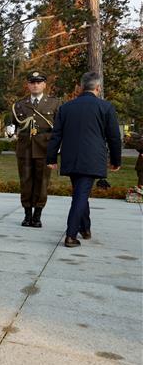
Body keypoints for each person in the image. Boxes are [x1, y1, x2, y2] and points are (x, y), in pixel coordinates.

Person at [46, 72, 122, 248]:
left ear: (81, 87)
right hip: (92, 158)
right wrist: (116, 161)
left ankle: (85, 229)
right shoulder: (106, 107)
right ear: (98, 88)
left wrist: (51, 158)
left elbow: (56, 135)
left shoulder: (66, 108)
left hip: (71, 157)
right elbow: (114, 138)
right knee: (81, 194)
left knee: (81, 192)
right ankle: (71, 235)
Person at [12, 71, 61, 227]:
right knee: (25, 181)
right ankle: (27, 215)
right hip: (25, 148)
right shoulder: (19, 104)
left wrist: (58, 147)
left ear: (44, 85)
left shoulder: (55, 103)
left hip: (45, 147)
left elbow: (60, 127)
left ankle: (37, 215)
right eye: (32, 82)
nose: (35, 85)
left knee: (42, 182)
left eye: (39, 82)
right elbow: (15, 124)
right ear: (28, 85)